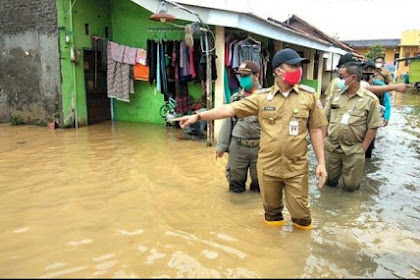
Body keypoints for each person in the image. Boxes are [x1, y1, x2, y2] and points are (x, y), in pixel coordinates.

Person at [174, 48, 328, 230]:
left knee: (302, 217)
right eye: (293, 66)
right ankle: (272, 249)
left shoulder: (308, 96)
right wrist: (198, 116)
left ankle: (300, 251)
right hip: (268, 168)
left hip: (296, 168)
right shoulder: (261, 98)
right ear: (278, 71)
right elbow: (230, 109)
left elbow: (316, 130)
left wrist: (321, 163)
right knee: (271, 214)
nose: (298, 70)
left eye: (299, 66)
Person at [322, 62, 383, 191]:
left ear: (353, 77)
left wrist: (362, 149)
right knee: (327, 184)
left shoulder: (370, 99)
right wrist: (322, 142)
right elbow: (324, 119)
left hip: (354, 150)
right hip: (331, 148)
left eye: (341, 76)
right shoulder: (335, 95)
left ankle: (349, 210)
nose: (338, 80)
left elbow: (373, 126)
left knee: (351, 188)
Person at [216, 61, 261, 193]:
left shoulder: (266, 98)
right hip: (238, 147)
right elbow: (227, 122)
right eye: (241, 76)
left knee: (260, 185)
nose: (242, 79)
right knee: (235, 184)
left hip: (260, 147)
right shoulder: (236, 98)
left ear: (256, 76)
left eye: (246, 76)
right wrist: (221, 146)